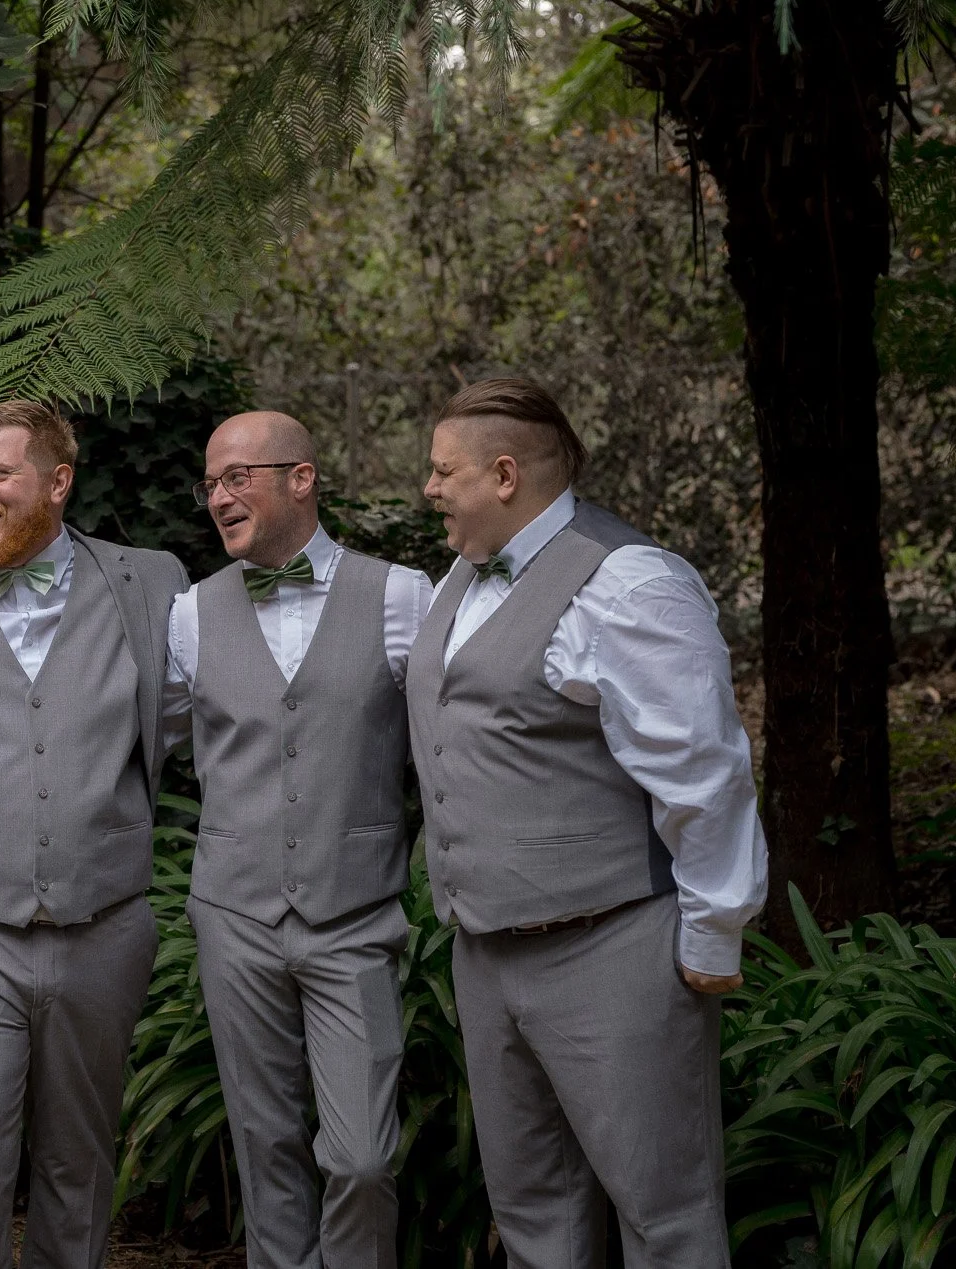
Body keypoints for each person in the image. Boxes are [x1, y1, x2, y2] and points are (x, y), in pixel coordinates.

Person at [405, 377, 768, 1269]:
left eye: (440, 470)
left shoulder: (631, 582)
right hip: (484, 954)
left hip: (613, 949)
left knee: (664, 1213)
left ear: (503, 474)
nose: (427, 488)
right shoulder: (456, 581)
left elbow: (706, 775)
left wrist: (713, 937)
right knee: (533, 1213)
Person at [0, 400, 190, 1269]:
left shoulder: (151, 583)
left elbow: (198, 716)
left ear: (58, 481)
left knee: (78, 1161)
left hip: (105, 927)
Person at [168, 410, 433, 1269]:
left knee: (361, 1156)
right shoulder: (189, 613)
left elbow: (446, 750)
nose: (218, 496)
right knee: (265, 1143)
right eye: (209, 483)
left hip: (354, 912)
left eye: (237, 476)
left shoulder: (400, 595)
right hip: (232, 912)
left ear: (302, 477)